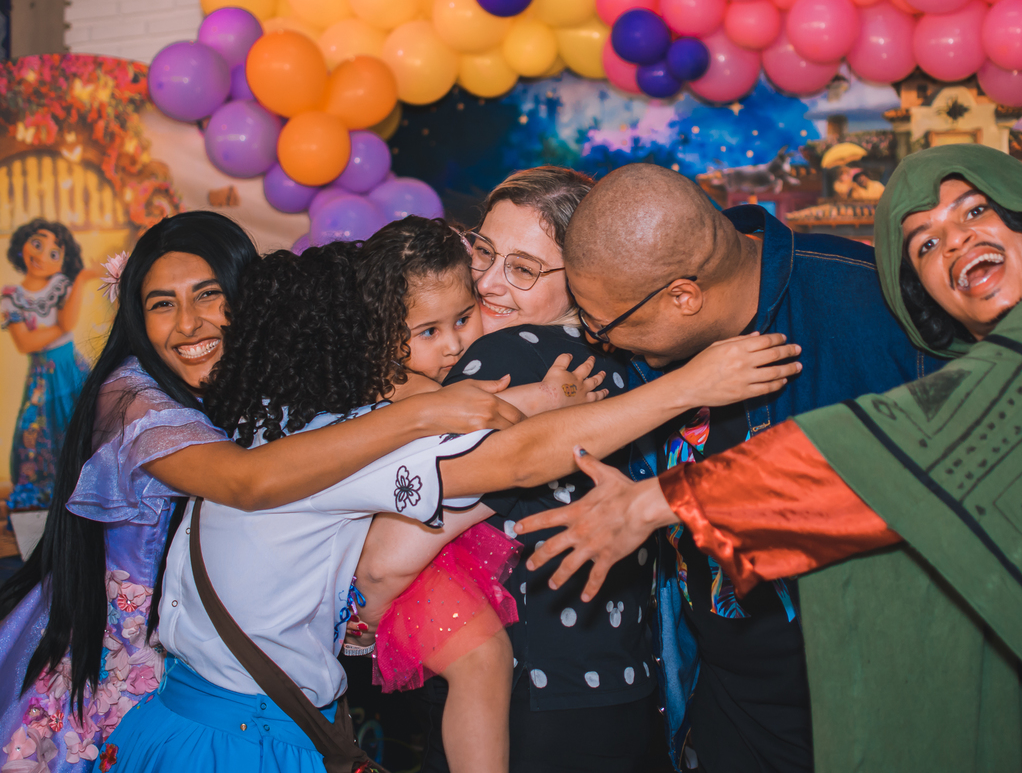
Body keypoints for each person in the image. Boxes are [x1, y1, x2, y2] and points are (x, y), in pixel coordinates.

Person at [519, 144, 1022, 771]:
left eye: (974, 211)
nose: (955, 242)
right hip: (742, 707)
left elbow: (896, 448)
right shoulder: (998, 337)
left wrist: (654, 502)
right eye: (925, 243)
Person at [100, 237, 800, 772]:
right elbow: (517, 459)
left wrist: (521, 400)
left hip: (181, 720)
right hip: (243, 741)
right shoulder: (344, 449)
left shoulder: (270, 418)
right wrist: (688, 386)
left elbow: (446, 426)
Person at [0, 212, 523, 772]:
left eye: (208, 295)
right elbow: (246, 482)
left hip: (215, 672)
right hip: (111, 664)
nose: (188, 324)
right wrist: (421, 413)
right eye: (162, 304)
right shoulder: (132, 397)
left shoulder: (255, 385)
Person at [551, 163, 942, 772]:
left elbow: (928, 483)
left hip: (877, 708)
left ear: (684, 296)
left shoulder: (875, 304)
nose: (602, 342)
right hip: (726, 703)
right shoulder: (647, 325)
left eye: (605, 327)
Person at [417, 167, 672, 773]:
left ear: (583, 279)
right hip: (620, 686)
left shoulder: (501, 354)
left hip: (524, 694)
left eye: (524, 270)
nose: (488, 281)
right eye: (483, 251)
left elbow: (414, 504)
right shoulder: (623, 362)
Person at [1, 219, 96, 514]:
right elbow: (25, 343)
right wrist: (58, 329)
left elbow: (67, 322)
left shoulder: (63, 286)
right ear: (23, 244)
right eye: (37, 244)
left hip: (72, 370)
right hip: (41, 377)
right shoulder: (10, 296)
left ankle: (82, 493)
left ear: (63, 262)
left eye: (54, 253)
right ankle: (42, 497)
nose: (42, 256)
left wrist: (81, 279)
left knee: (79, 424)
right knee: (36, 432)